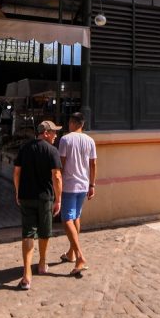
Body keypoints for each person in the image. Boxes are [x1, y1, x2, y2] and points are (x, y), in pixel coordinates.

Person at [13, 121, 63, 290]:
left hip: (26, 195)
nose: (56, 135)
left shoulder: (25, 148)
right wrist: (59, 199)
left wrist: (17, 192)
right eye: (54, 132)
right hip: (45, 197)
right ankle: (42, 263)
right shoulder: (52, 151)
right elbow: (56, 176)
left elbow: (17, 172)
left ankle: (27, 273)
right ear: (47, 133)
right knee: (45, 230)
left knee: (27, 233)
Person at [57, 112, 96, 276]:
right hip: (83, 185)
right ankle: (71, 253)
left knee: (66, 220)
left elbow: (61, 163)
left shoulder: (65, 139)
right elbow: (93, 163)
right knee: (76, 217)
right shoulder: (90, 140)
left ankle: (80, 256)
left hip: (69, 185)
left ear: (73, 123)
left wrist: (57, 184)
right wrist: (92, 184)